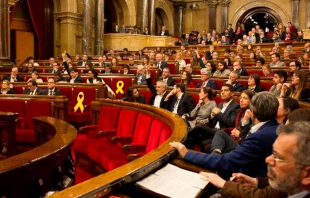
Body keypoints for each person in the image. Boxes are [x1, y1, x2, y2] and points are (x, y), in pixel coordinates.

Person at [170, 91, 279, 178]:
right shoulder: (276, 127)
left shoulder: (259, 137)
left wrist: (186, 154)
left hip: (249, 181)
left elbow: (226, 162)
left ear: (253, 113)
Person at [200, 121, 310, 198]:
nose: (268, 160)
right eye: (273, 153)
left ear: (307, 175)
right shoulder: (291, 184)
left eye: (278, 157)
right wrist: (256, 182)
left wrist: (224, 184)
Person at [185, 84, 240, 150]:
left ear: (232, 94)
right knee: (192, 138)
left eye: (226, 90)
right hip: (213, 129)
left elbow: (230, 122)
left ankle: (184, 135)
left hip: (222, 132)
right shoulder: (220, 105)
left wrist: (218, 113)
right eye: (222, 90)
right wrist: (213, 116)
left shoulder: (235, 106)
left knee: (200, 126)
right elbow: (213, 121)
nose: (222, 92)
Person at [209, 90, 256, 154]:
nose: (241, 100)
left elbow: (251, 134)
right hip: (237, 138)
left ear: (252, 101)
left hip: (244, 144)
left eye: (245, 98)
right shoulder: (240, 111)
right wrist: (235, 130)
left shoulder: (252, 113)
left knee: (219, 134)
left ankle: (214, 158)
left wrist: (239, 133)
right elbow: (238, 126)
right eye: (241, 98)